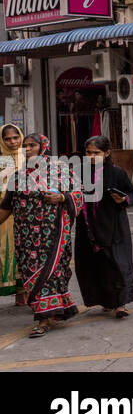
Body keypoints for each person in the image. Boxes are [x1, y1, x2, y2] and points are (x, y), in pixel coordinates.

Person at [0, 135, 83, 337]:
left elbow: (79, 195)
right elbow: (5, 209)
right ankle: (49, 311)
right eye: (25, 146)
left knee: (49, 274)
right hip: (25, 240)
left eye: (32, 145)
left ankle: (43, 319)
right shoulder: (17, 177)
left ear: (43, 147)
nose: (27, 149)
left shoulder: (61, 172)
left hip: (52, 236)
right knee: (31, 276)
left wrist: (62, 197)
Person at [74, 135, 133, 319]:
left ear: (107, 153)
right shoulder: (79, 171)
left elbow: (130, 192)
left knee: (118, 263)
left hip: (113, 224)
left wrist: (123, 199)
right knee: (94, 264)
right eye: (88, 153)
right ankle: (106, 300)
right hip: (87, 226)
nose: (92, 156)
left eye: (97, 153)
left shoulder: (117, 173)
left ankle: (121, 303)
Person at [0, 124, 24, 302]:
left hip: (26, 213)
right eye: (7, 139)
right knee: (7, 250)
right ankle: (17, 292)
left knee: (26, 250)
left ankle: (23, 293)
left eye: (15, 137)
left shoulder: (29, 156)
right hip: (4, 213)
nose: (12, 142)